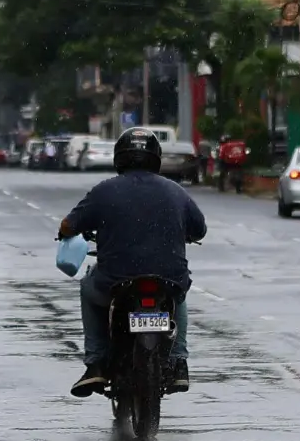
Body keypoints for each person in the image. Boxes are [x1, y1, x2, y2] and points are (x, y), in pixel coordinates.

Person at [57, 127, 207, 399]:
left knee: (87, 289)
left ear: (119, 158)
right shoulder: (175, 191)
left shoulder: (104, 191)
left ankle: (96, 363)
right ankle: (179, 363)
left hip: (115, 280)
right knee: (179, 296)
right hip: (169, 278)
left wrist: (66, 233)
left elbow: (69, 224)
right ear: (156, 158)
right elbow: (200, 229)